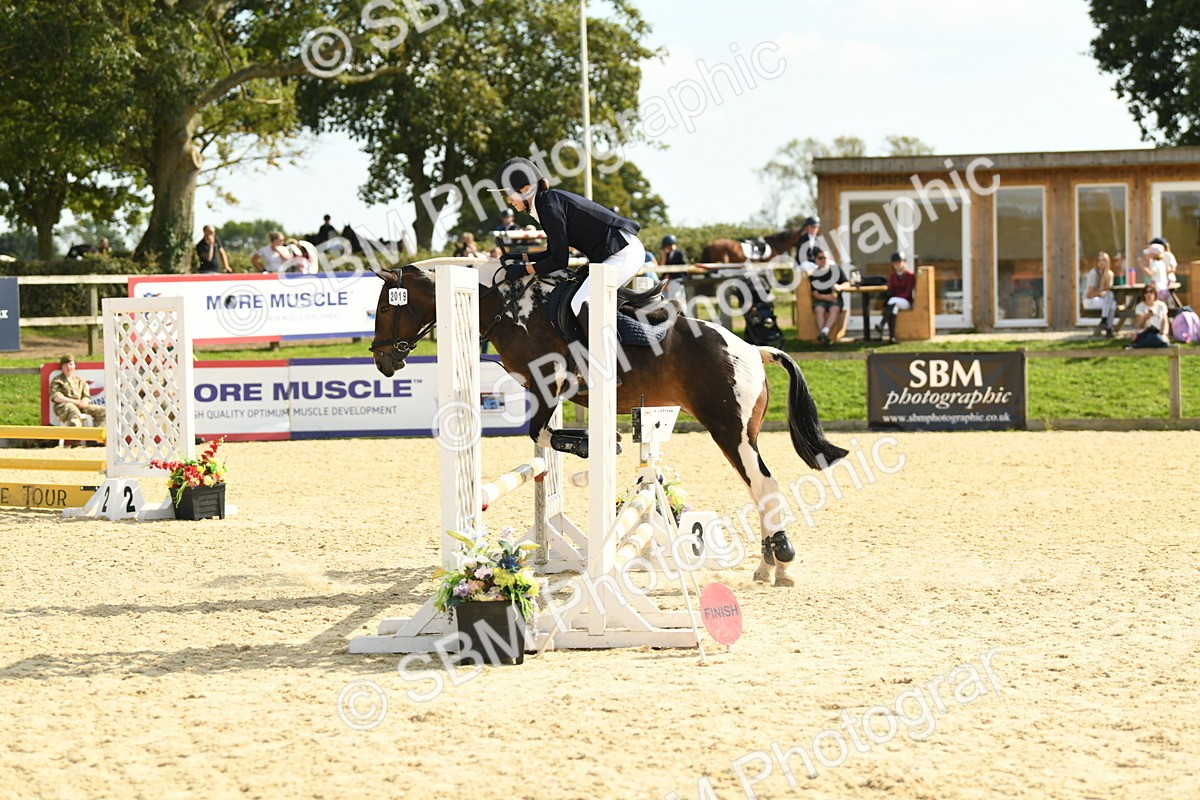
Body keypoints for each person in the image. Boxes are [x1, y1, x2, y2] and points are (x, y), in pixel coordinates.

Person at [491, 157, 644, 331]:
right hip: (616, 252)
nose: (509, 201)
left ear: (526, 189)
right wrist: (520, 257)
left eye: (509, 195)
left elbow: (559, 261)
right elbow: (552, 253)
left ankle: (610, 355)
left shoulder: (549, 207)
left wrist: (524, 270)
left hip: (623, 253)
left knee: (580, 302)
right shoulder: (546, 203)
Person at [49, 355, 105, 431]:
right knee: (74, 413)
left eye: (71, 364)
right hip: (64, 407)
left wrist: (84, 402)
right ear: (62, 367)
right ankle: (76, 441)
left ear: (75, 366)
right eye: (66, 365)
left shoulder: (80, 381)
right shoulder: (58, 380)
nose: (69, 367)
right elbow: (56, 397)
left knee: (103, 412)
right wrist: (75, 402)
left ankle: (96, 438)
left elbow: (86, 396)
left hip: (80, 406)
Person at [875, 251, 915, 344]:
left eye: (899, 262)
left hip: (906, 301)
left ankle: (882, 324)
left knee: (892, 301)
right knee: (893, 309)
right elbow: (891, 290)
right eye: (895, 263)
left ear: (904, 262)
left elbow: (908, 293)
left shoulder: (910, 275)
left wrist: (894, 298)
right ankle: (892, 337)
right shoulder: (892, 275)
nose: (897, 265)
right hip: (895, 303)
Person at [808, 248, 843, 345]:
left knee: (834, 309)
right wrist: (828, 297)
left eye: (825, 258)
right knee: (819, 309)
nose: (823, 260)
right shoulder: (814, 275)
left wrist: (840, 286)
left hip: (835, 301)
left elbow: (847, 283)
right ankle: (824, 335)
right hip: (821, 300)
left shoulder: (836, 270)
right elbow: (815, 294)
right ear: (816, 260)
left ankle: (823, 333)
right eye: (820, 258)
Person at [1082, 252, 1117, 337]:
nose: (1101, 262)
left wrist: (1105, 293)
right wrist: (1103, 293)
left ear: (1107, 262)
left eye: (1104, 260)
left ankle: (1106, 323)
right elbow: (1090, 294)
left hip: (1103, 301)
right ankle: (1107, 326)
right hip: (1090, 301)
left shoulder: (1110, 274)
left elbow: (1108, 291)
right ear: (1096, 262)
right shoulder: (1093, 273)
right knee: (1110, 298)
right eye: (1099, 260)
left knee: (1113, 303)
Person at [1129, 284, 1169, 349]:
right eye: (1146, 292)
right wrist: (1145, 318)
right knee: (1152, 338)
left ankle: (1140, 345)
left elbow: (1165, 322)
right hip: (1146, 332)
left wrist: (1164, 334)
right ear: (1143, 294)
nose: (1148, 294)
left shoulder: (1161, 305)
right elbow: (1140, 326)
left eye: (1151, 292)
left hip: (1158, 332)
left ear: (1155, 293)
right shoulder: (1140, 307)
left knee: (1160, 340)